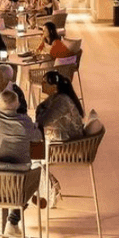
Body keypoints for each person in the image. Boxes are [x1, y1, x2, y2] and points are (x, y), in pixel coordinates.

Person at [0, 90, 40, 236]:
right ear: (18, 104)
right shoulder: (25, 121)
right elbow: (38, 138)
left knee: (17, 176)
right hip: (19, 186)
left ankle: (11, 221)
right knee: (36, 172)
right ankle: (13, 220)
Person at [34, 71, 85, 208]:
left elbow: (42, 120)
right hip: (63, 140)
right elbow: (40, 112)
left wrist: (41, 110)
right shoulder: (57, 97)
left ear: (53, 86)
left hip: (68, 146)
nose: (41, 84)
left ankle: (48, 189)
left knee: (29, 154)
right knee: (32, 153)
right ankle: (49, 186)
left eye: (44, 82)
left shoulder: (61, 101)